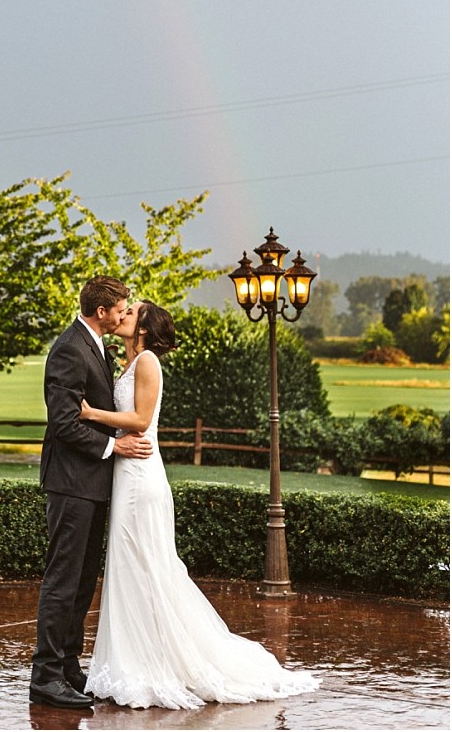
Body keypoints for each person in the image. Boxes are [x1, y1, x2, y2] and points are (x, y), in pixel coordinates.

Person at [80, 299, 320, 710]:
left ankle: (156, 663)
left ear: (144, 328)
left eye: (132, 312)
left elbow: (141, 420)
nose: (123, 315)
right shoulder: (128, 362)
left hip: (140, 478)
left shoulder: (148, 362)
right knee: (130, 565)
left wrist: (91, 414)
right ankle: (135, 659)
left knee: (146, 566)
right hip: (126, 473)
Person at [29, 277, 154, 710]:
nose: (122, 315)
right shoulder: (69, 348)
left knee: (82, 582)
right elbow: (64, 422)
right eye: (119, 309)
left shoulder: (97, 345)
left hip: (92, 485)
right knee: (63, 581)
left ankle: (67, 668)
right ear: (102, 312)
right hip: (71, 484)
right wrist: (113, 447)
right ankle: (45, 677)